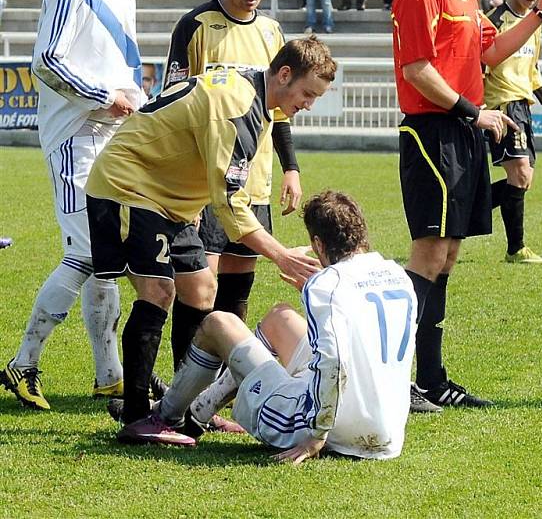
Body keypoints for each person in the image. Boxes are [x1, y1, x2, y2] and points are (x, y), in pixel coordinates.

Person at [85, 37, 336, 441]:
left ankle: (183, 406)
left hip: (173, 198)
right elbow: (231, 203)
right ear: (284, 74)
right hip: (129, 184)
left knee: (202, 290)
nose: (309, 103)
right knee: (158, 291)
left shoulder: (253, 94)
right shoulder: (237, 106)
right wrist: (281, 256)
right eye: (308, 93)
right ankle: (136, 417)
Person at [391, 0, 542, 411]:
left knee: (447, 255)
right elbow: (417, 70)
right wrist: (476, 113)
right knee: (428, 252)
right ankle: (398, 377)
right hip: (434, 132)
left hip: (463, 130)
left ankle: (432, 379)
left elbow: (490, 52)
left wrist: (539, 14)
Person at [0, 0, 146, 411]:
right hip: (74, 141)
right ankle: (24, 363)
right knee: (86, 253)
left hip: (115, 142)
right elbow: (46, 62)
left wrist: (143, 107)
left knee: (107, 262)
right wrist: (106, 99)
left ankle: (110, 376)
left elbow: (128, 71)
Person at [146, 190, 418, 459]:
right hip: (387, 431)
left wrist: (317, 435)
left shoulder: (328, 285)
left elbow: (332, 362)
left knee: (219, 323)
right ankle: (199, 411)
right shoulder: (397, 274)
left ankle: (167, 415)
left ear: (318, 244)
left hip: (331, 429)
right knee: (281, 317)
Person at [164, 0, 304, 376]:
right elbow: (171, 99)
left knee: (238, 284)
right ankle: (183, 383)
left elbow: (279, 107)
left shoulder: (272, 32)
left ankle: (223, 378)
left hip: (255, 179)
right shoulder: (196, 26)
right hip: (207, 183)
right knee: (199, 288)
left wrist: (292, 168)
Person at [484, 0, 542, 265]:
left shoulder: (535, 20)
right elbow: (480, 62)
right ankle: (516, 249)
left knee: (523, 180)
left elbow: (532, 66)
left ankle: (465, 210)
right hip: (501, 104)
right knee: (520, 172)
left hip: (523, 104)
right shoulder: (494, 19)